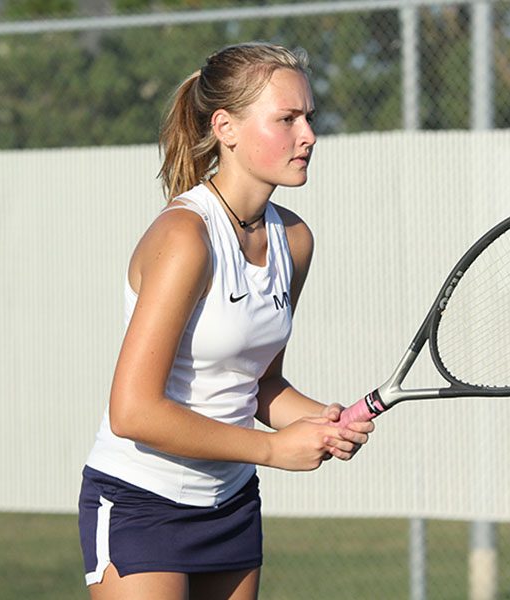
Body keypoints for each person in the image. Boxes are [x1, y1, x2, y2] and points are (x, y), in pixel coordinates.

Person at [77, 42, 374, 600]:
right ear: (226, 127)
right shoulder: (185, 237)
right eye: (286, 119)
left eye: (309, 117)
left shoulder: (295, 240)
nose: (308, 135)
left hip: (231, 503)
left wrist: (320, 419)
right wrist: (270, 449)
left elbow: (259, 383)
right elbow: (132, 410)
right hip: (142, 502)